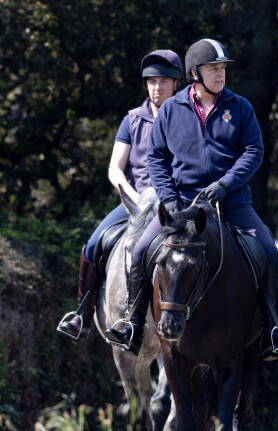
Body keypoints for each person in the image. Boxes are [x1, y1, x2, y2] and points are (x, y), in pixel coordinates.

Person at [104, 38, 278, 360]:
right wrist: (169, 200)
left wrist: (225, 185)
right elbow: (156, 158)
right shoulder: (171, 110)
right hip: (181, 206)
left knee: (267, 250)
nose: (220, 75)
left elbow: (254, 151)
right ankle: (132, 323)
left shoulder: (240, 107)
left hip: (231, 204)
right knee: (139, 251)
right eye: (213, 69)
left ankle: (272, 327)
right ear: (195, 73)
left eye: (222, 68)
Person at [57, 50, 184, 340]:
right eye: (152, 81)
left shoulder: (186, 120)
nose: (157, 87)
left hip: (173, 205)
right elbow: (115, 168)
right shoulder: (131, 120)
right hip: (136, 202)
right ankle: (82, 315)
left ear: (176, 84)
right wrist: (131, 197)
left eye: (164, 81)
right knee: (93, 244)